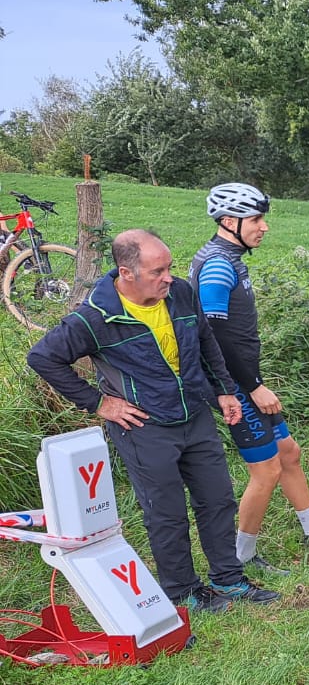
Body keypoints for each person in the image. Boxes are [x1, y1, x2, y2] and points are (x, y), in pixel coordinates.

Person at [27, 230, 279, 613]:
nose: (168, 277)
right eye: (157, 271)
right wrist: (99, 404)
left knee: (218, 498)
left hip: (194, 413)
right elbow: (43, 358)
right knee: (167, 512)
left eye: (169, 268)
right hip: (144, 427)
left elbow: (206, 340)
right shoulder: (95, 317)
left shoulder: (179, 292)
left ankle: (229, 580)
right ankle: (182, 592)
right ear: (126, 273)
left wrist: (224, 390)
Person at [191, 184, 309, 574]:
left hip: (244, 378)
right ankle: (242, 557)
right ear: (228, 221)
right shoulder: (218, 265)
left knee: (288, 453)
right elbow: (214, 335)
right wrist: (251, 387)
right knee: (266, 469)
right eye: (255, 219)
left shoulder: (229, 257)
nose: (264, 227)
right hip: (235, 386)